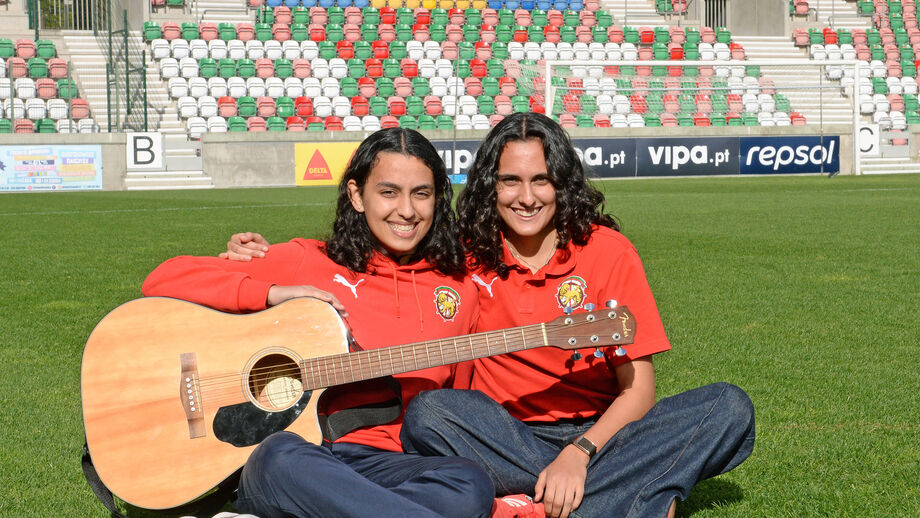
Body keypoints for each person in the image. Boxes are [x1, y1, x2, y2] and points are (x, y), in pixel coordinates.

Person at [222, 113, 756, 518]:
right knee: (433, 414)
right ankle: (633, 493)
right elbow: (375, 259)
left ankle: (567, 497)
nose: (526, 198)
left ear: (561, 183)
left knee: (728, 407)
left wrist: (580, 453)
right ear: (489, 187)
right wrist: (254, 266)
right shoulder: (464, 255)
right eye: (509, 182)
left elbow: (638, 389)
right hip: (494, 435)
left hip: (599, 434)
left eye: (541, 180)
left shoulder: (608, 252)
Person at [141, 127, 497, 518]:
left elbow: (454, 404)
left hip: (390, 466)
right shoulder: (308, 261)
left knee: (470, 483)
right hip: (304, 458)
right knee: (278, 455)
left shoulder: (459, 289)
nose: (407, 211)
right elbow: (164, 277)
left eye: (421, 194)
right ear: (357, 196)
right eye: (389, 192)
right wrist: (274, 293)